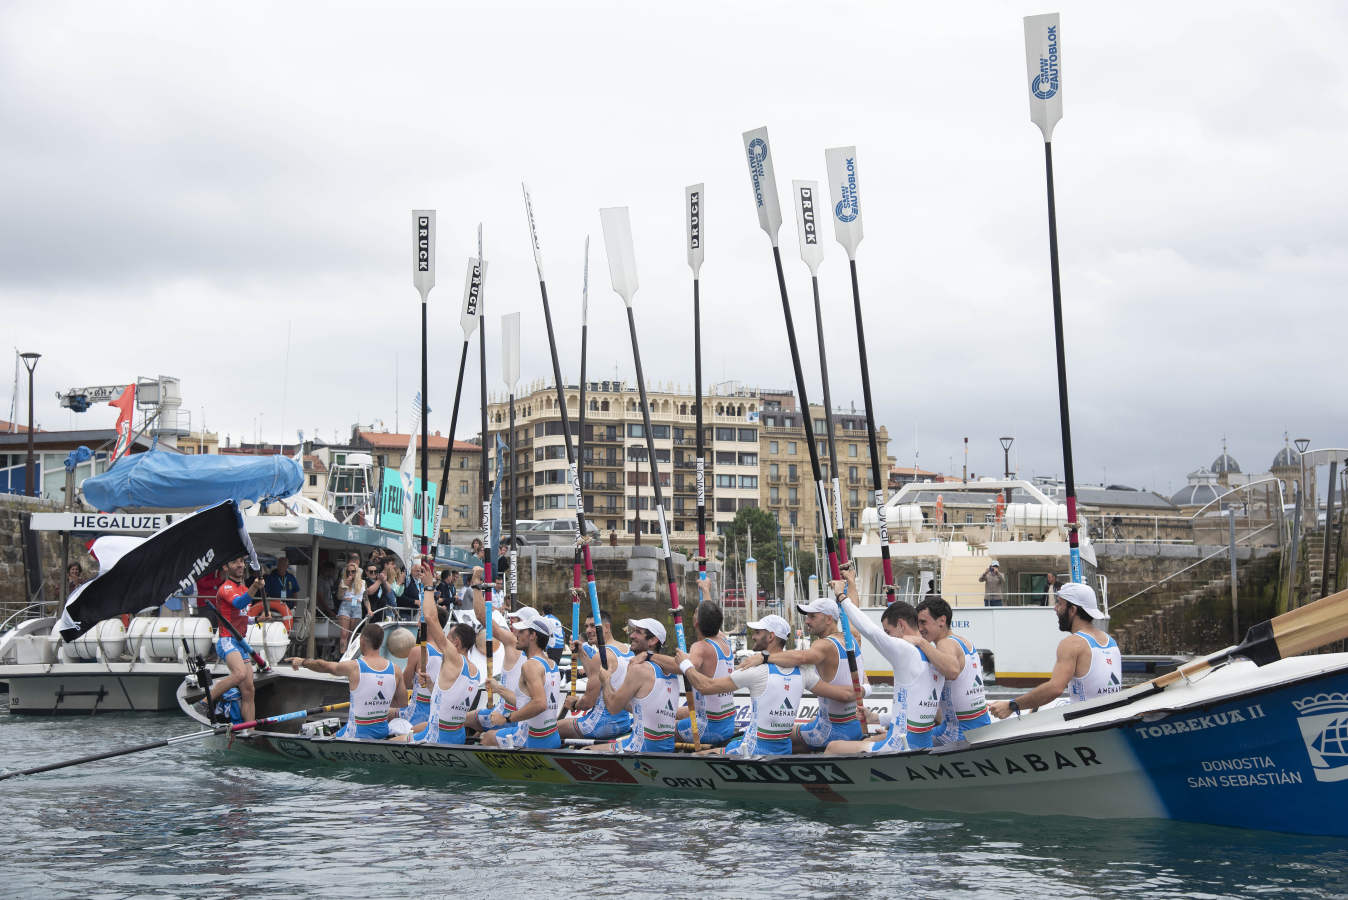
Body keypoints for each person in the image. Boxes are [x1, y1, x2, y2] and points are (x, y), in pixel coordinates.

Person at [824, 570, 944, 756]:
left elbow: (870, 631)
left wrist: (841, 597)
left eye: (888, 632)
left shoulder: (907, 651)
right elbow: (921, 712)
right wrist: (875, 717)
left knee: (832, 748)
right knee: (871, 739)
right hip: (922, 742)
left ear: (902, 626)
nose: (888, 638)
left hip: (898, 746)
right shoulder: (935, 654)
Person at [737, 595, 866, 752]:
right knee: (798, 728)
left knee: (778, 736)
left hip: (830, 731)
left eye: (812, 616)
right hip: (854, 724)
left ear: (829, 619)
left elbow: (802, 657)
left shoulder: (824, 645)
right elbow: (853, 611)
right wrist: (849, 584)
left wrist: (765, 658)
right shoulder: (852, 637)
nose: (807, 621)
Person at [678, 614, 806, 758]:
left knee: (697, 757)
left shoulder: (756, 671)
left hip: (752, 751)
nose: (753, 637)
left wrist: (685, 664)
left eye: (757, 633)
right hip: (783, 751)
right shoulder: (802, 671)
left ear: (771, 637)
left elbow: (705, 687)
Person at [989, 582, 1121, 719]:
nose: (1055, 608)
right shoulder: (1110, 641)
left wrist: (1012, 705)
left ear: (1072, 610)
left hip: (1085, 724)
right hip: (1109, 717)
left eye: (1059, 604)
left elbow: (1055, 688)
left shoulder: (1071, 644)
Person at [286, 623, 407, 739]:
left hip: (355, 734)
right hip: (382, 732)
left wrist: (302, 661)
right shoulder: (395, 670)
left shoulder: (355, 667)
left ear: (362, 640)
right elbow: (402, 703)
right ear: (380, 643)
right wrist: (378, 704)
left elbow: (324, 666)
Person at [658, 588, 738, 747]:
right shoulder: (723, 641)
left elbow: (681, 666)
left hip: (707, 727)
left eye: (695, 612)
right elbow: (711, 613)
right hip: (726, 723)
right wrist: (706, 589)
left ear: (696, 623)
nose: (694, 613)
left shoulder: (700, 647)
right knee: (678, 712)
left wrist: (652, 657)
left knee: (659, 728)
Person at [587, 619, 679, 754]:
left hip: (638, 748)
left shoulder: (639, 670)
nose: (631, 636)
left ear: (653, 640)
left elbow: (612, 708)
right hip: (666, 748)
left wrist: (606, 681)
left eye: (638, 632)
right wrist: (620, 697)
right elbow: (641, 708)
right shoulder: (672, 673)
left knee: (587, 750)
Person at [915, 595, 991, 744]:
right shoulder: (963, 641)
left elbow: (952, 671)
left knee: (900, 739)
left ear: (942, 621)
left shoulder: (945, 644)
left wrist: (921, 643)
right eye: (918, 624)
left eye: (923, 622)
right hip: (980, 726)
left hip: (959, 733)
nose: (920, 629)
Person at [481, 613, 562, 749]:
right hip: (552, 737)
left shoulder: (530, 665)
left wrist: (507, 718)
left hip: (533, 740)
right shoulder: (552, 664)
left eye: (522, 631)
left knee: (487, 737)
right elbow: (525, 701)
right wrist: (498, 688)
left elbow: (540, 704)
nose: (517, 634)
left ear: (532, 636)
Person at [413, 588, 480, 745]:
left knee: (397, 739)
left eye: (448, 639)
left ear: (456, 643)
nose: (444, 642)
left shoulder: (455, 659)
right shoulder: (475, 671)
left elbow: (429, 617)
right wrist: (431, 685)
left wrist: (429, 587)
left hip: (437, 737)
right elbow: (449, 701)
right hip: (457, 735)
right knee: (417, 728)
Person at [557, 611, 634, 742]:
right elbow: (594, 673)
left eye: (593, 626)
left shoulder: (602, 656)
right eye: (586, 626)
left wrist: (574, 704)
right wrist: (581, 652)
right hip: (624, 722)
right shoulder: (627, 650)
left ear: (607, 627)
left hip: (600, 724)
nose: (588, 630)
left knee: (552, 729)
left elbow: (587, 703)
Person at [204, 553, 262, 723]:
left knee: (249, 690)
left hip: (241, 642)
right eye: (235, 561)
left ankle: (249, 731)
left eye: (242, 561)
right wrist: (255, 588)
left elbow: (243, 614)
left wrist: (257, 619)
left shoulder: (244, 590)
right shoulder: (226, 588)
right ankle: (205, 702)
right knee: (239, 674)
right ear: (225, 567)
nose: (240, 565)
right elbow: (238, 604)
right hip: (227, 640)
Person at [335, 559, 365, 652]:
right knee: (344, 634)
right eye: (348, 571)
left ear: (357, 572)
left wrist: (369, 609)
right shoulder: (343, 581)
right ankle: (342, 655)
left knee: (353, 634)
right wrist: (345, 586)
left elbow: (366, 598)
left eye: (353, 571)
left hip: (357, 606)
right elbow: (339, 596)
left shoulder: (362, 582)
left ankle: (349, 655)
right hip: (345, 606)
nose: (350, 573)